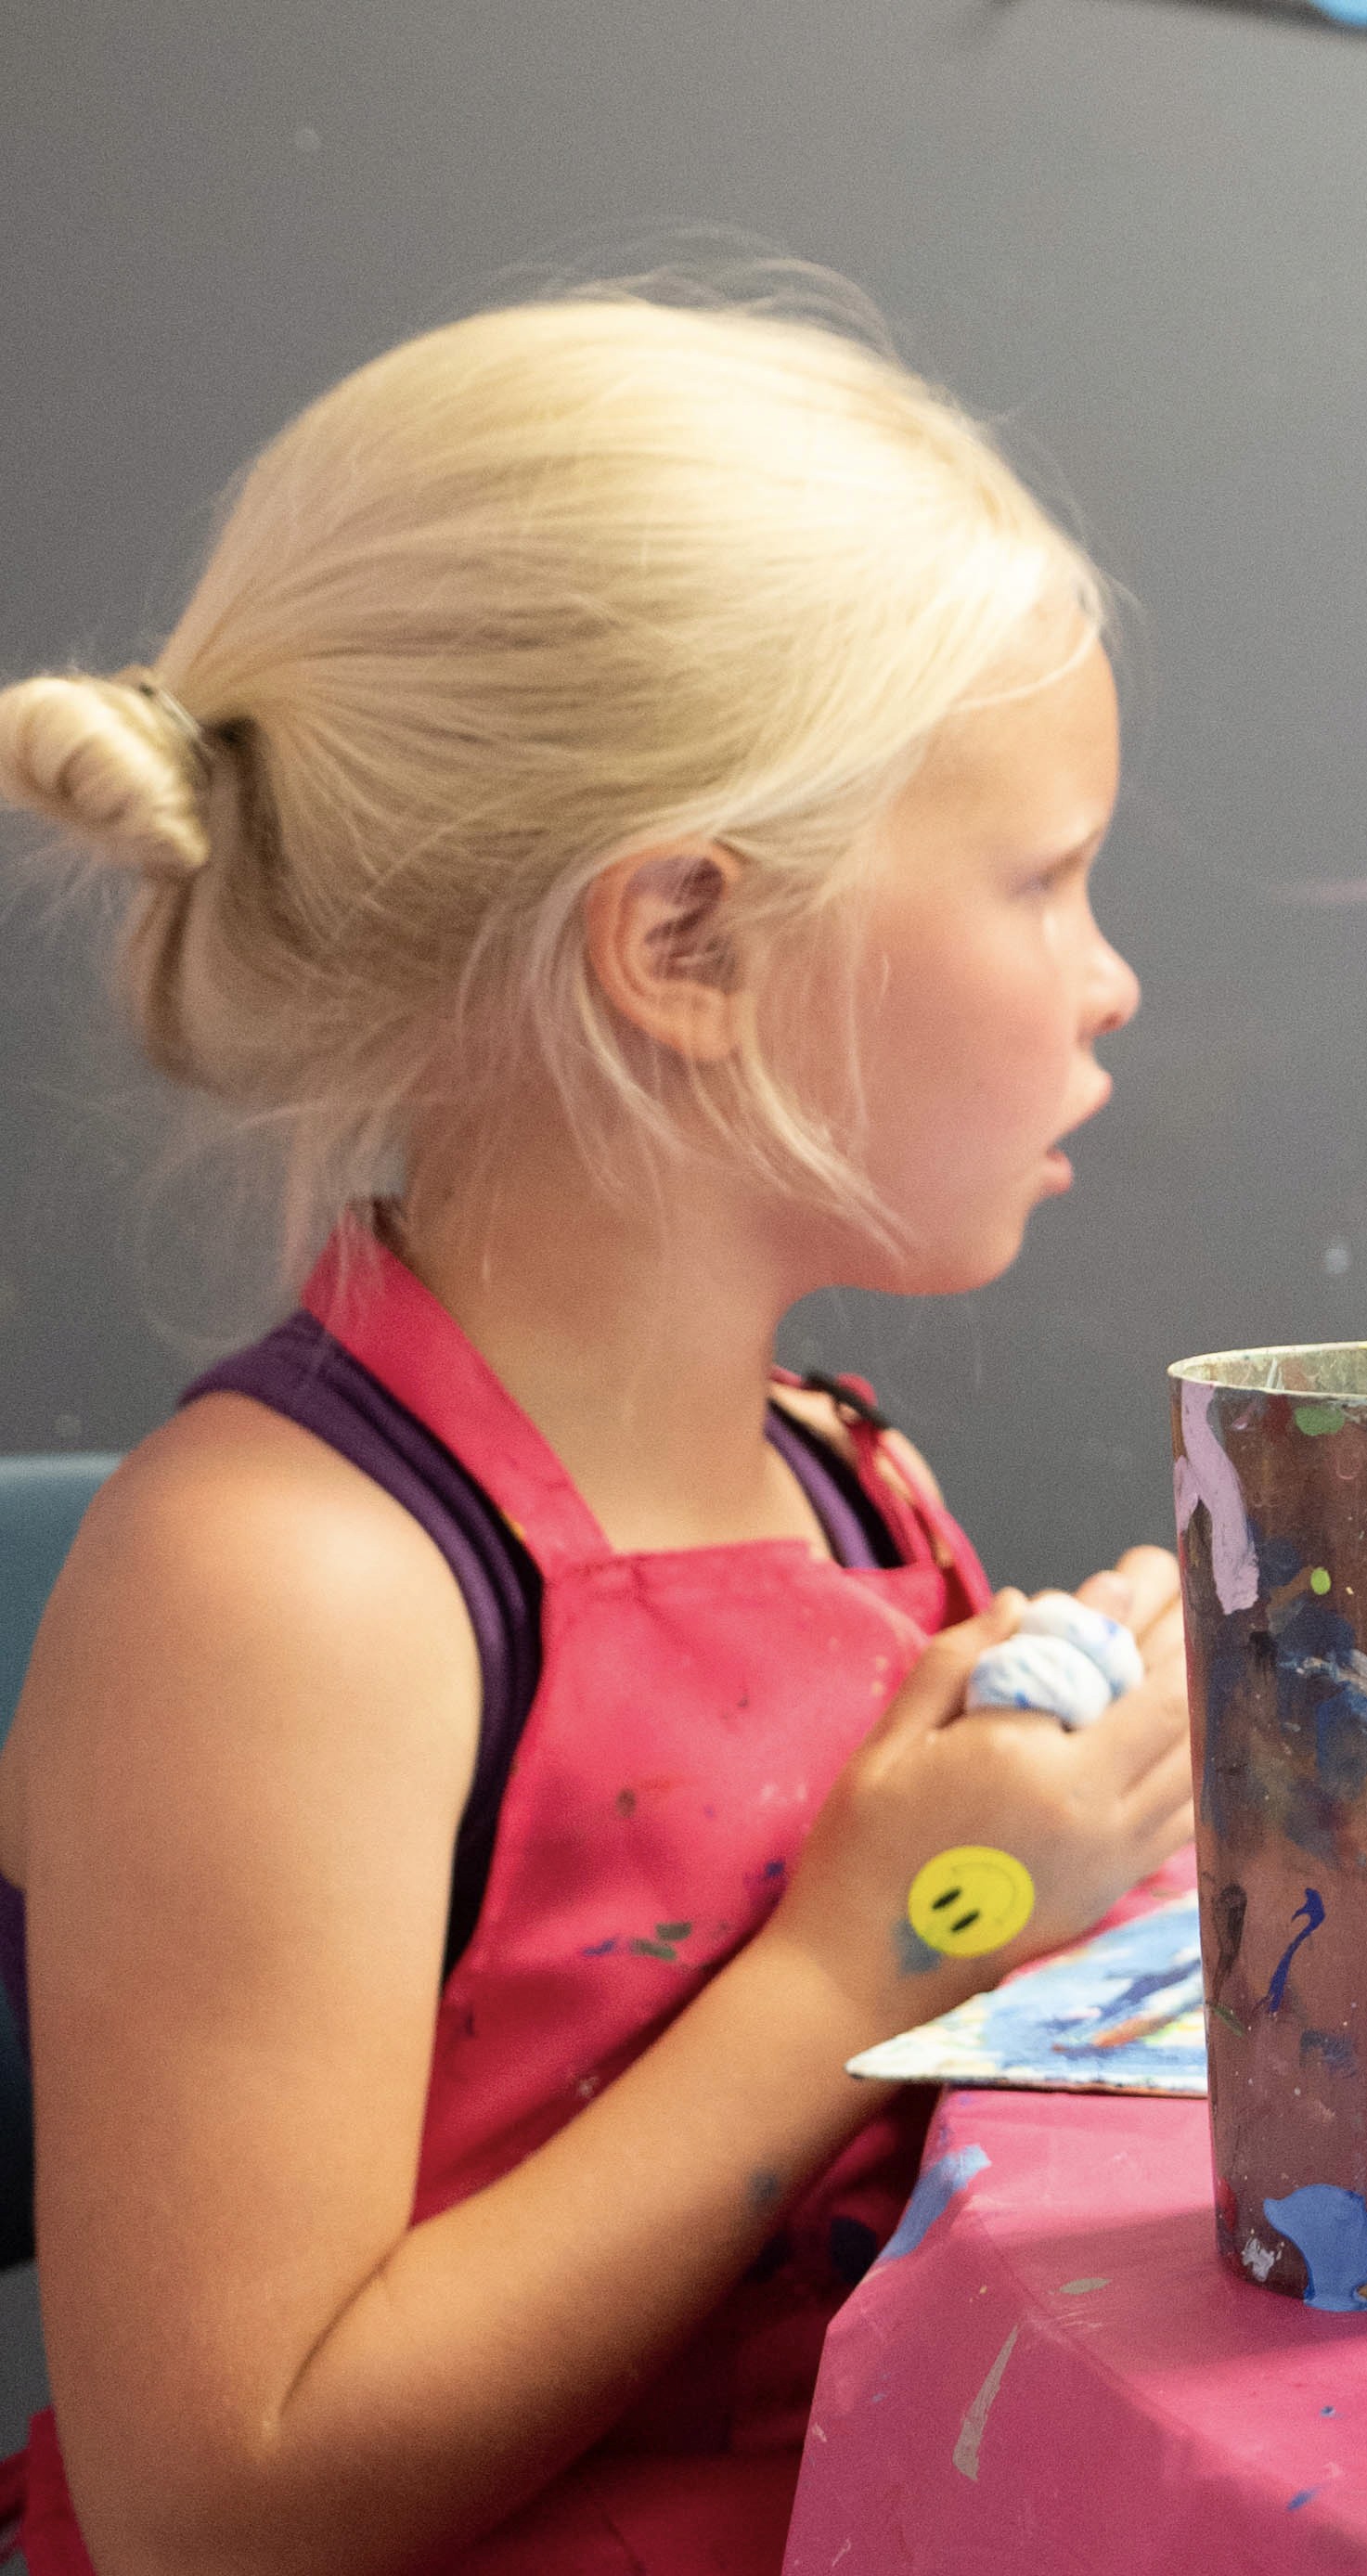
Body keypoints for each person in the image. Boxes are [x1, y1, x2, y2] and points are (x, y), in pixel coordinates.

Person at [0, 283, 1192, 2572]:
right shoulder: (287, 1590)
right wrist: (884, 1945)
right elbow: (213, 2505)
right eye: (1042, 878)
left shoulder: (838, 1469)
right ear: (683, 940)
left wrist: (1084, 1821)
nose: (1105, 971)